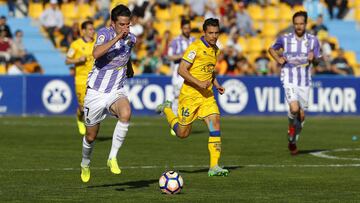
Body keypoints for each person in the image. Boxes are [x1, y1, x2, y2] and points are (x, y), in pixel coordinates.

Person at [156, 18, 229, 177]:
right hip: (189, 96)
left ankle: (214, 166)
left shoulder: (215, 49)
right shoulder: (195, 47)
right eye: (210, 33)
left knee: (215, 123)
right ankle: (167, 109)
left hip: (207, 96)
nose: (214, 36)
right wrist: (198, 82)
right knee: (183, 134)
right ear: (204, 32)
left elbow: (210, 71)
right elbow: (181, 70)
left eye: (216, 33)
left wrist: (216, 84)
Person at [79, 4, 135, 183]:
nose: (125, 28)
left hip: (115, 90)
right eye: (121, 25)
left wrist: (129, 67)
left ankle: (112, 157)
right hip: (95, 92)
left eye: (127, 25)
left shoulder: (131, 39)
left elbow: (127, 55)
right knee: (91, 136)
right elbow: (96, 53)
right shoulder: (105, 33)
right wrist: (118, 37)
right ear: (113, 23)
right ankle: (85, 163)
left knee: (126, 113)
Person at [268, 11, 321, 155]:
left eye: (301, 24)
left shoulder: (313, 40)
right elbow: (271, 49)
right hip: (288, 78)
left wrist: (313, 58)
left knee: (302, 116)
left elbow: (318, 60)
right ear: (293, 24)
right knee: (294, 108)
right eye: (296, 24)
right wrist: (278, 60)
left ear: (305, 24)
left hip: (304, 81)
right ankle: (291, 127)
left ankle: (292, 140)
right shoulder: (285, 39)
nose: (299, 26)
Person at [65, 20, 96, 136]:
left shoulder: (96, 43)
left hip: (95, 79)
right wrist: (78, 60)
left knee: (93, 106)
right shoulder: (76, 45)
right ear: (83, 31)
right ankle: (79, 119)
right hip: (81, 79)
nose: (93, 31)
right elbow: (67, 60)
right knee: (83, 108)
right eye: (90, 29)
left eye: (93, 29)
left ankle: (91, 129)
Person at [167, 18, 195, 135]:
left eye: (189, 28)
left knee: (189, 98)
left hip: (191, 73)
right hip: (178, 73)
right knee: (177, 97)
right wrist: (183, 55)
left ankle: (185, 123)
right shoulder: (175, 41)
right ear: (181, 28)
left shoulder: (194, 41)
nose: (187, 30)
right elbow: (170, 56)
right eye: (185, 28)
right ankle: (175, 125)